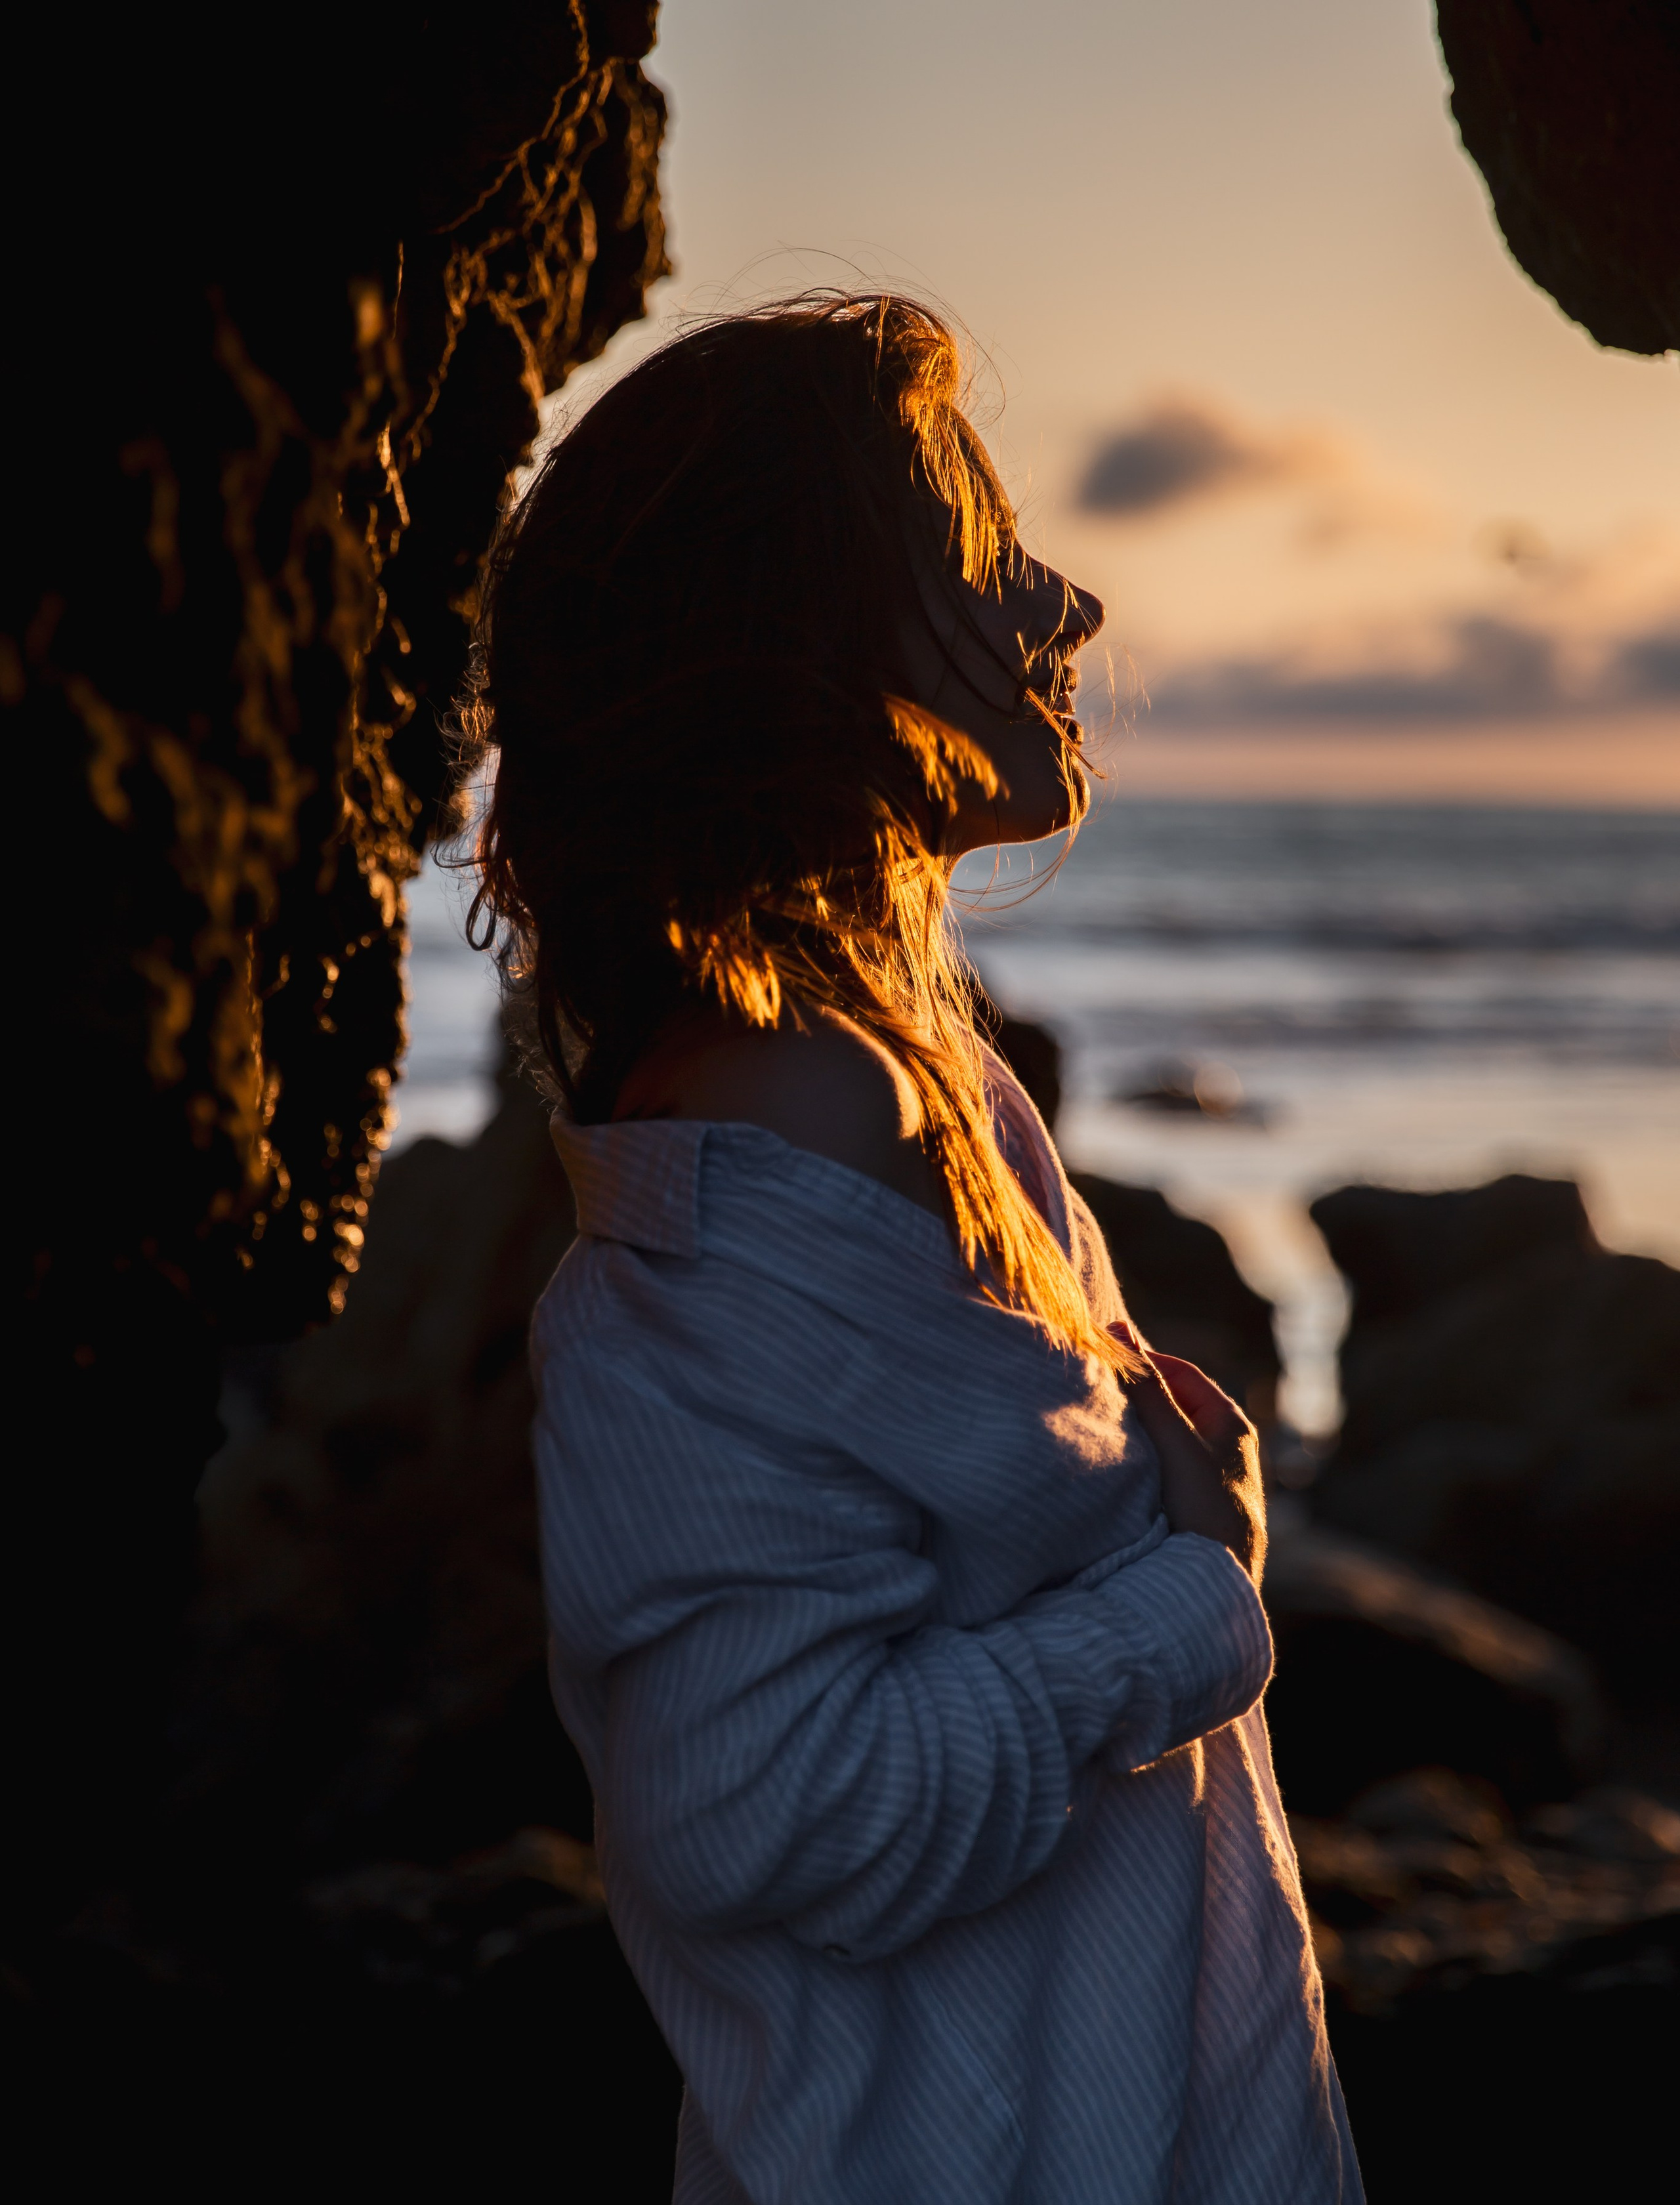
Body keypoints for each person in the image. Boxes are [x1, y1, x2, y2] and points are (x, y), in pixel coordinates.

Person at [463, 293, 1361, 2203]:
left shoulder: (900, 1069)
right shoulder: (780, 1113)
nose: (1066, 608)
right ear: (798, 650)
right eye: (983, 556)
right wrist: (1189, 1597)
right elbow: (752, 1805)